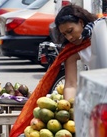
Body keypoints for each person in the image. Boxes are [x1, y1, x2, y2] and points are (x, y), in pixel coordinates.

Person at [9, 4, 98, 137]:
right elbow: (71, 84)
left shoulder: (101, 36)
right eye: (65, 34)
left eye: (70, 30)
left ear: (81, 22)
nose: (69, 38)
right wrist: (69, 111)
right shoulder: (72, 52)